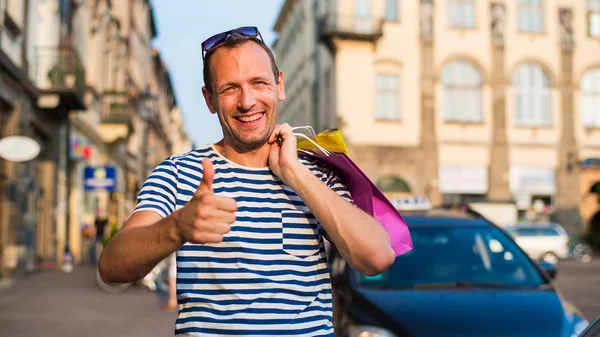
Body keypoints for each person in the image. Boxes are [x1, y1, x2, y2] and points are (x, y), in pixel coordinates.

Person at [98, 26, 395, 336]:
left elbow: (376, 256)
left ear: (279, 84)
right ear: (209, 99)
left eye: (259, 83)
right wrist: (177, 227)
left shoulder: (318, 174)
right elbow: (111, 267)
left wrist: (296, 173)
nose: (247, 101)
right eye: (229, 89)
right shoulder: (177, 173)